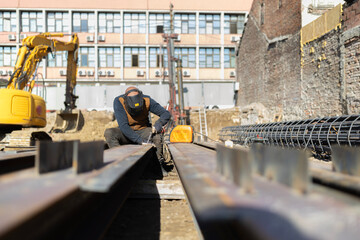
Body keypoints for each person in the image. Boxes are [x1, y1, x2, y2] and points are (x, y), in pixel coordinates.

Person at [104, 86, 171, 175]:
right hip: (126, 132)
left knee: (157, 136)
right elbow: (123, 126)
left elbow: (165, 114)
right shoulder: (119, 101)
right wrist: (139, 141)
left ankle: (157, 166)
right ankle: (120, 163)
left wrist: (158, 125)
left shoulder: (147, 100)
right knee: (110, 133)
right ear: (126, 100)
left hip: (143, 130)